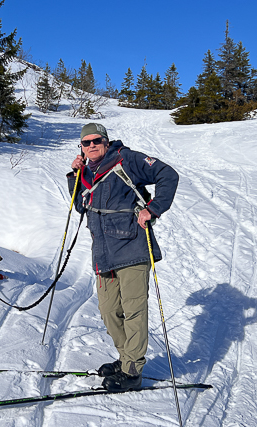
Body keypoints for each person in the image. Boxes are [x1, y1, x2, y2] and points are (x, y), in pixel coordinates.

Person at [67, 123, 179, 392]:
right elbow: (80, 206)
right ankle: (125, 357)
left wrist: (153, 209)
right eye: (86, 142)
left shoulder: (126, 159)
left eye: (96, 140)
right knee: (108, 311)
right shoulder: (87, 171)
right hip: (103, 253)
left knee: (134, 311)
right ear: (81, 148)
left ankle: (132, 371)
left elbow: (168, 174)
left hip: (132, 248)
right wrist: (75, 175)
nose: (91, 145)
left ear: (106, 141)